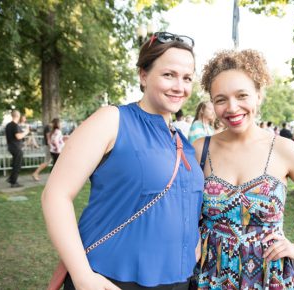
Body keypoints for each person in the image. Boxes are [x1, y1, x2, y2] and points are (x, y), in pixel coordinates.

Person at [42, 31, 203, 290]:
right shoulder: (112, 120)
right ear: (143, 75)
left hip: (179, 280)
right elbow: (56, 194)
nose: (179, 86)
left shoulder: (183, 141)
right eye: (168, 75)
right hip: (112, 279)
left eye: (187, 78)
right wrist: (82, 275)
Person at [192, 49, 294, 289]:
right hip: (212, 274)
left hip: (268, 274)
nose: (232, 107)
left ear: (259, 95)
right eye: (221, 99)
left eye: (242, 95)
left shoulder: (284, 149)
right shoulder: (200, 149)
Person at [5, 110, 30, 188]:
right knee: (17, 165)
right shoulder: (15, 125)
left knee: (15, 164)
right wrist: (26, 132)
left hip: (11, 147)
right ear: (18, 116)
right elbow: (18, 136)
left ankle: (11, 178)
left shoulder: (8, 125)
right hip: (16, 147)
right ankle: (14, 182)